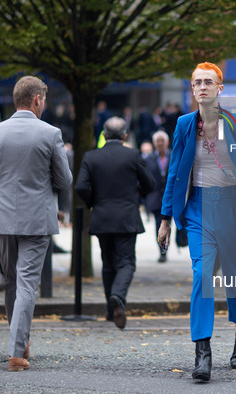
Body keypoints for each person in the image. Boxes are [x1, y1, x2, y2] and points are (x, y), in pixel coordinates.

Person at [157, 62, 236, 382]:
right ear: (191, 89)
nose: (202, 86)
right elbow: (174, 173)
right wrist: (165, 219)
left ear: (220, 88)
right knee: (202, 275)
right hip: (199, 209)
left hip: (234, 209)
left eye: (209, 82)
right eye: (196, 82)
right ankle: (203, 354)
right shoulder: (185, 124)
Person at [0, 76, 72, 372]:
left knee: (13, 283)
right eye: (44, 99)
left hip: (0, 220)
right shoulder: (51, 133)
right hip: (37, 220)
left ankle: (21, 340)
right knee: (28, 283)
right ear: (37, 100)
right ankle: (17, 352)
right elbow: (64, 180)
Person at [75, 116, 155, 329]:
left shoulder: (91, 157)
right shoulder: (133, 155)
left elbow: (81, 187)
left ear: (103, 135)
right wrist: (136, 196)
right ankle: (118, 297)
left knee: (108, 264)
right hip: (127, 216)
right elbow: (150, 183)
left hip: (101, 216)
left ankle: (111, 311)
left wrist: (95, 203)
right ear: (125, 136)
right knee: (126, 262)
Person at [144, 131, 171, 263]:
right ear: (154, 143)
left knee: (170, 224)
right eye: (158, 141)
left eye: (162, 141)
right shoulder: (148, 159)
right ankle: (162, 251)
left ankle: (174, 242)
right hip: (156, 199)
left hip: (171, 198)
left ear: (167, 142)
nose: (160, 143)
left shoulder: (173, 156)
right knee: (159, 225)